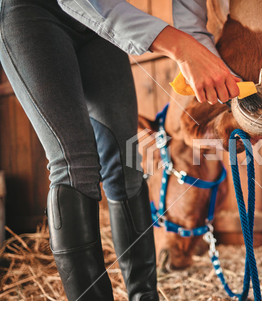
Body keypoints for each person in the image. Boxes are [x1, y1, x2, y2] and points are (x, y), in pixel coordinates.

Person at [0, 0, 240, 300]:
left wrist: (199, 52)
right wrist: (181, 46)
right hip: (33, 13)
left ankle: (145, 300)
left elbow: (188, 11)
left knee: (126, 166)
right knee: (74, 166)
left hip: (98, 28)